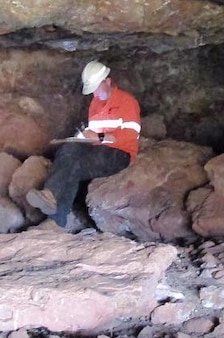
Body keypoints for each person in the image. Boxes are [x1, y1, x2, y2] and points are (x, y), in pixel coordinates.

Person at [27, 61, 141, 230]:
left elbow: (130, 136)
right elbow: (91, 132)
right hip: (97, 149)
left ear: (107, 81)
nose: (94, 93)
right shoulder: (95, 104)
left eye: (96, 88)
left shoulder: (127, 102)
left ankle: (56, 217)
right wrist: (79, 139)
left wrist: (100, 137)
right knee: (68, 151)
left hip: (120, 154)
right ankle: (50, 197)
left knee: (74, 166)